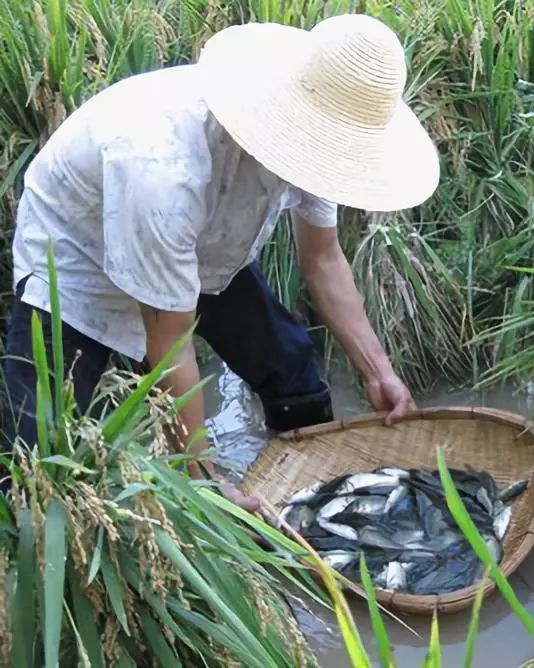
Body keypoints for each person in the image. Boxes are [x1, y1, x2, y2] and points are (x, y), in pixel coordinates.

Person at [0, 14, 440, 508]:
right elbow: (168, 342)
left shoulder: (327, 142)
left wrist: (377, 370)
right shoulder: (163, 163)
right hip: (77, 257)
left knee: (289, 363)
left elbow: (322, 259)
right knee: (38, 446)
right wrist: (203, 475)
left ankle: (314, 494)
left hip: (201, 240)